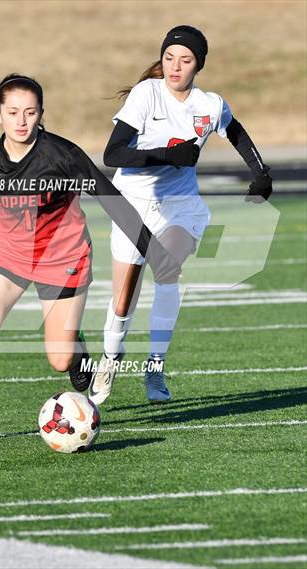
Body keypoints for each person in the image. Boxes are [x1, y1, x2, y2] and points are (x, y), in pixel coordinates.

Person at [0, 73, 179, 445]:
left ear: (41, 114)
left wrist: (156, 254)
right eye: (13, 112)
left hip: (63, 257)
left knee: (59, 359)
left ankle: (75, 345)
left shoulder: (63, 156)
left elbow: (112, 200)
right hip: (8, 256)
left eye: (30, 112)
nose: (22, 121)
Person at [88, 25, 273, 406]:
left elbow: (234, 130)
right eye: (169, 57)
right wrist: (166, 156)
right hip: (132, 204)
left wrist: (261, 173)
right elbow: (113, 154)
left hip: (181, 206)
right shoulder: (146, 94)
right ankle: (110, 360)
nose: (175, 66)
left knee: (168, 270)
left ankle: (155, 366)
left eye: (185, 60)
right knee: (123, 300)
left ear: (198, 65)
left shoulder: (210, 105)